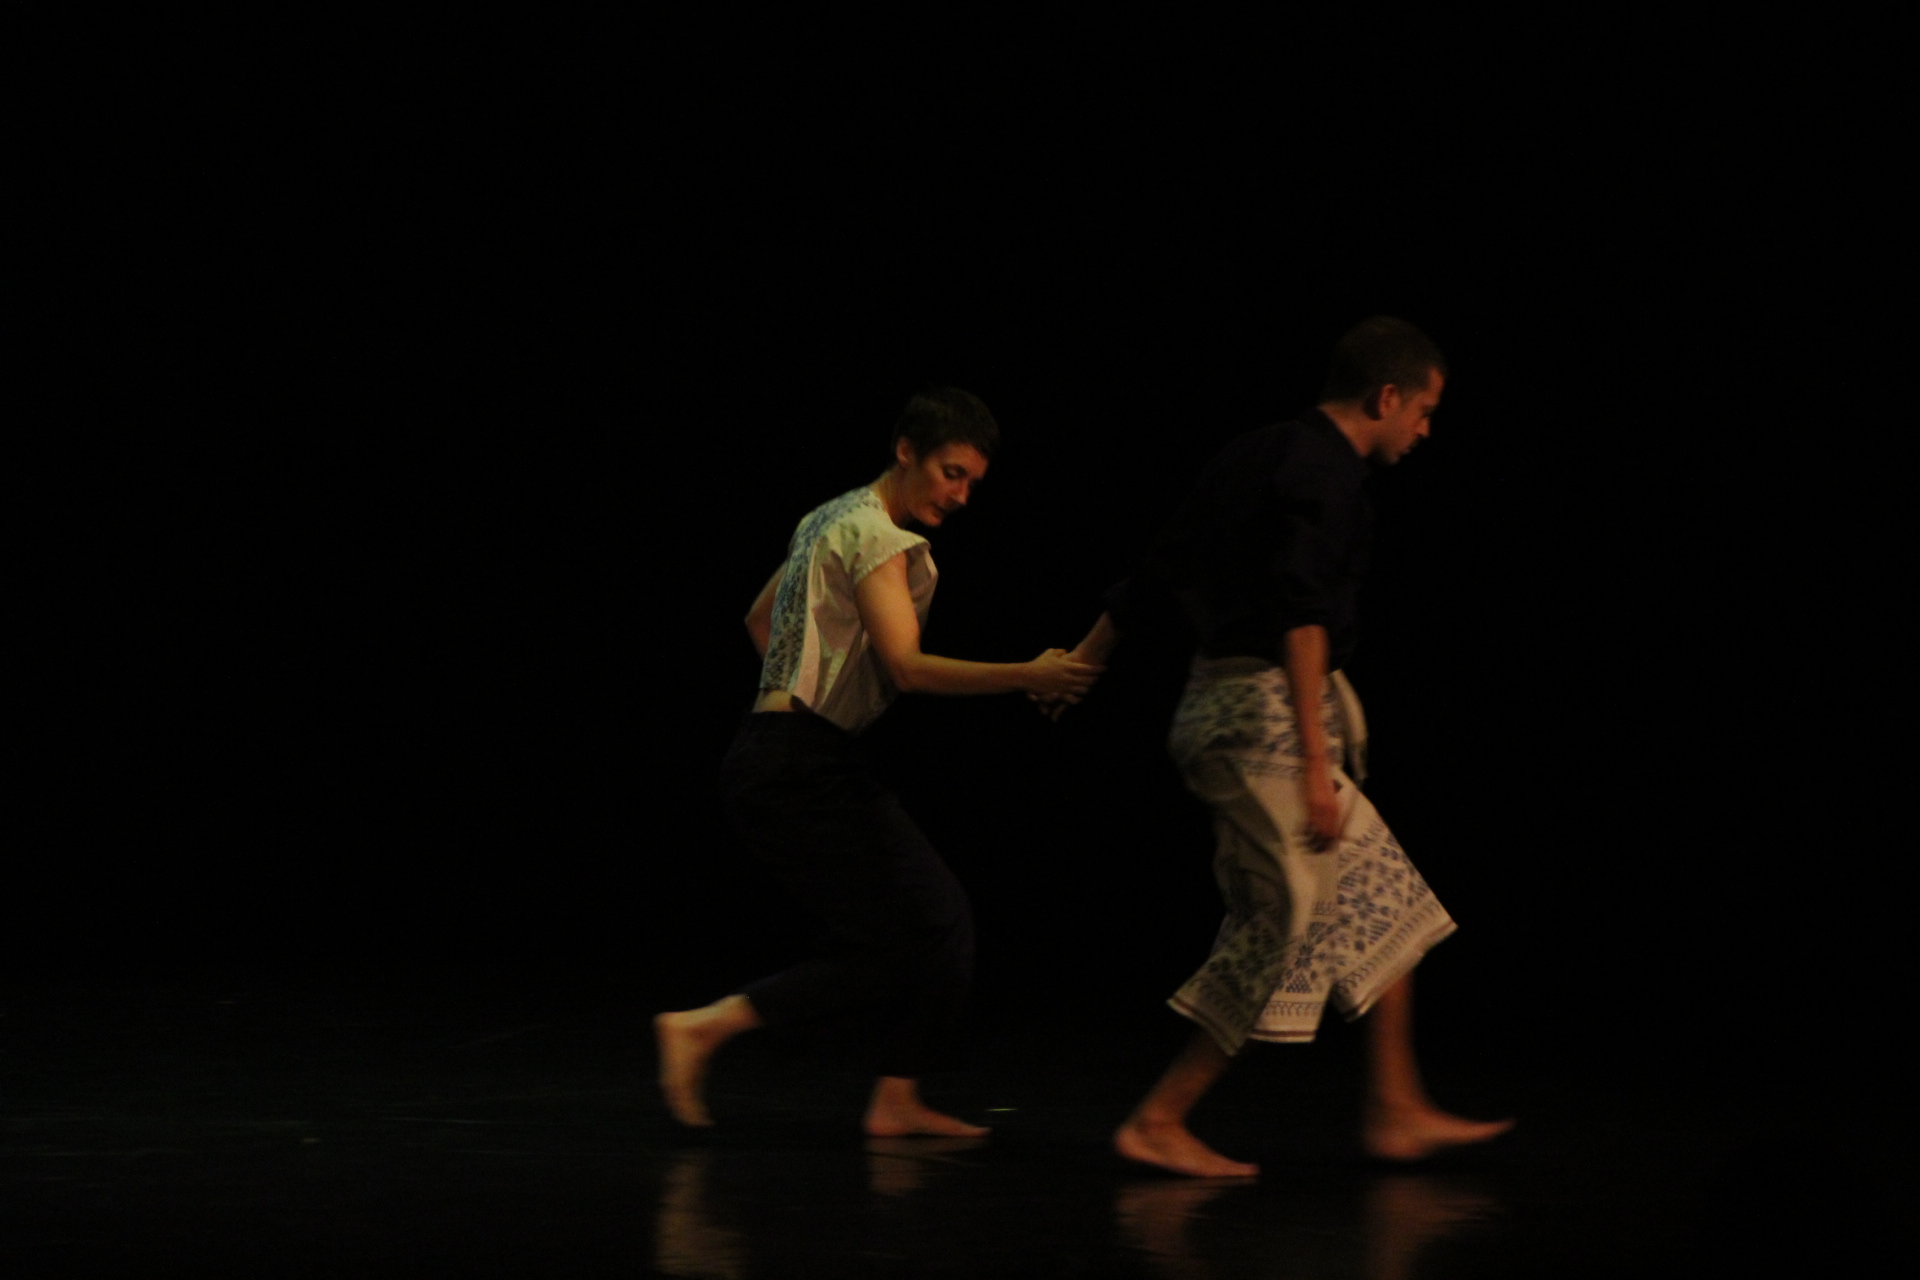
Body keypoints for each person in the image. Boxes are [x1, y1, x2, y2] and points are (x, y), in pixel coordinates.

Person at [1046, 318, 1513, 1177]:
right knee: (1290, 915)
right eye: (1424, 410)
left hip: (1248, 712)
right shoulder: (1326, 477)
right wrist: (1315, 768)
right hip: (1256, 720)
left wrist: (1083, 662)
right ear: (1387, 397)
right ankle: (1160, 1119)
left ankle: (1395, 1109)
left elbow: (1161, 566)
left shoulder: (1259, 450)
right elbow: (1302, 620)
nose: (1425, 430)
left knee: (1388, 902)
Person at [655, 387, 1102, 1138]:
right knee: (934, 926)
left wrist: (812, 696)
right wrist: (1030, 673)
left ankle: (889, 1093)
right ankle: (711, 1030)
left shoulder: (828, 517)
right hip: (800, 763)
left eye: (972, 484)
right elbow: (907, 668)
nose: (961, 496)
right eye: (951, 474)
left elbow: (760, 619)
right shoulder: (877, 536)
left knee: (912, 935)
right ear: (906, 452)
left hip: (777, 753)